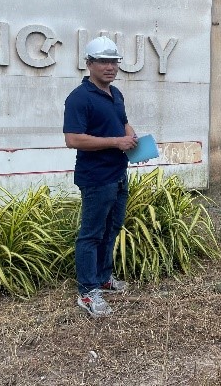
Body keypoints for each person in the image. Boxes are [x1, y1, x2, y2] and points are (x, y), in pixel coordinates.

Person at [63, 36, 138, 317]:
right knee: (91, 234)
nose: (110, 67)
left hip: (118, 174)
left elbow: (123, 122)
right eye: (103, 62)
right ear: (89, 64)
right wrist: (116, 142)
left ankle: (103, 278)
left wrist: (132, 139)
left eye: (114, 62)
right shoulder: (79, 98)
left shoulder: (115, 94)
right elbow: (73, 139)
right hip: (96, 178)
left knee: (112, 229)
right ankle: (87, 292)